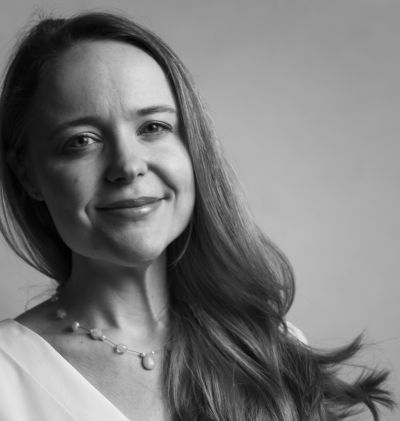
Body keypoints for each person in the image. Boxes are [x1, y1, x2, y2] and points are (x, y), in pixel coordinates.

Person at [0, 12, 393, 421]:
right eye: (82, 140)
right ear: (27, 172)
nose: (128, 165)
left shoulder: (269, 352)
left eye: (153, 127)